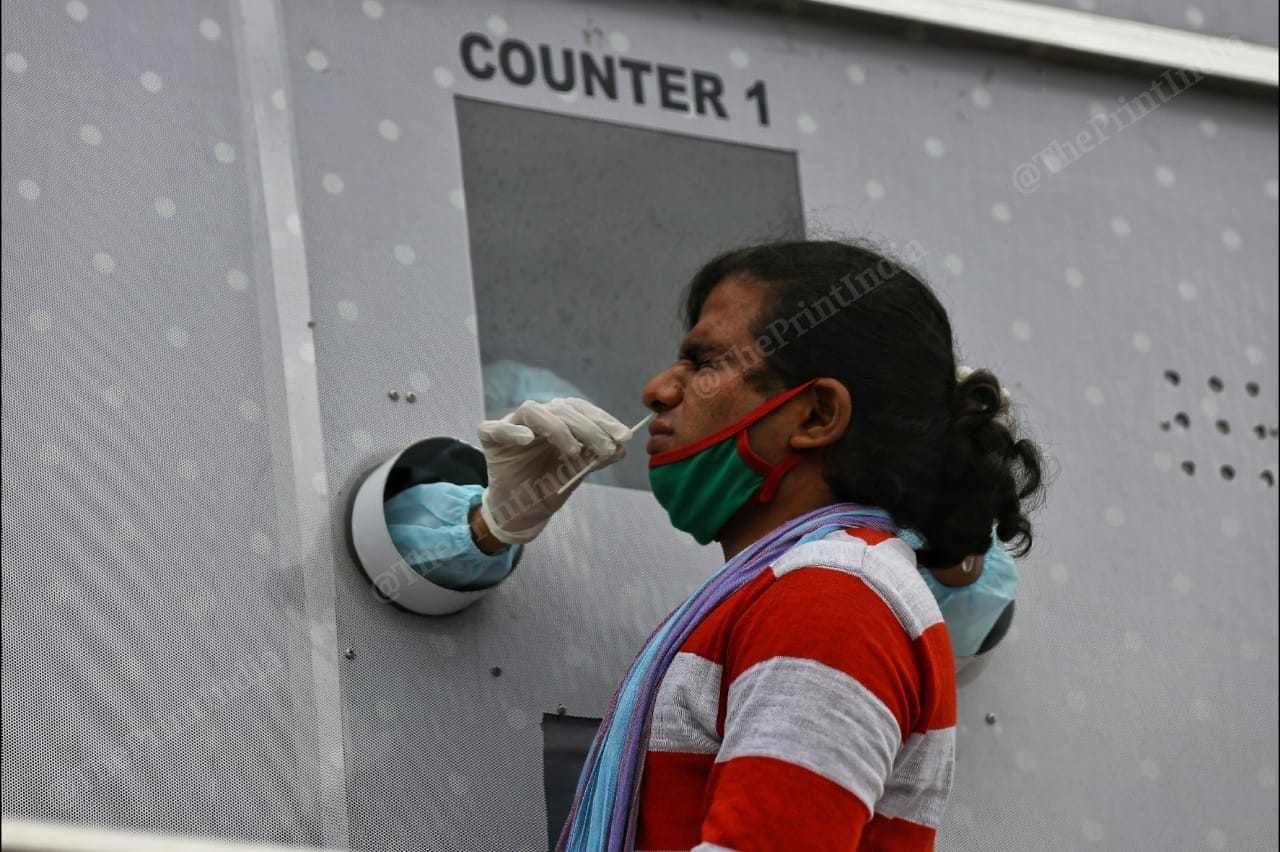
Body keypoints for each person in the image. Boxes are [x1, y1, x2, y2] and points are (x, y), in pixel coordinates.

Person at [444, 240, 1043, 850]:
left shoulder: (833, 600)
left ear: (815, 416)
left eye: (703, 363)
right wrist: (496, 521)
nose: (656, 390)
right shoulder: (807, 587)